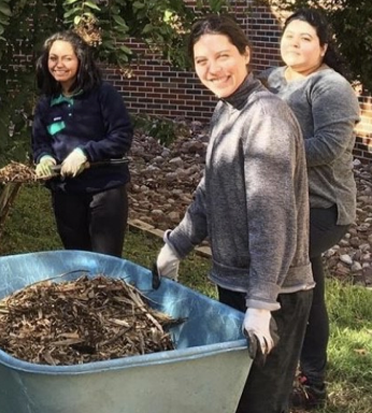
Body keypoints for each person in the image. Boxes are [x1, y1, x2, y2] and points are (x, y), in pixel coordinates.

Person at [155, 15, 315, 413]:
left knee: (260, 403)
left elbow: (270, 215)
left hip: (274, 292)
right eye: (201, 61)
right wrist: (177, 244)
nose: (213, 69)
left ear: (246, 53)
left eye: (223, 55)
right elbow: (212, 190)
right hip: (237, 283)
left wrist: (261, 304)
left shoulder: (265, 117)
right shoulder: (227, 111)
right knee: (235, 398)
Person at [259, 8, 361, 409]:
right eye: (290, 36)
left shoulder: (330, 87)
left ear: (323, 46)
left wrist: (266, 151)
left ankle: (291, 378)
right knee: (308, 292)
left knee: (286, 284)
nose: (295, 44)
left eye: (305, 38)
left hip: (321, 207)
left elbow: (327, 148)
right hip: (285, 204)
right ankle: (309, 381)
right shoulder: (272, 79)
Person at [31, 31, 133, 257]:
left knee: (106, 265)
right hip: (66, 193)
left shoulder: (103, 94)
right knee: (77, 261)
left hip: (105, 191)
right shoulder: (46, 103)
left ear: (80, 60)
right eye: (53, 58)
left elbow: (121, 136)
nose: (59, 64)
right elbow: (40, 142)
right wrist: (44, 158)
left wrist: (87, 153)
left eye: (66, 58)